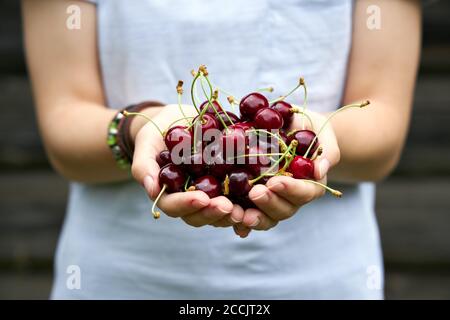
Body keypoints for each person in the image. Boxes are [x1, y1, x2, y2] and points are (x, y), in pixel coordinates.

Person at [22, 0, 421, 299]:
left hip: (321, 280)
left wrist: (316, 140)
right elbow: (64, 122)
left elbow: (381, 125)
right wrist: (136, 128)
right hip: (121, 280)